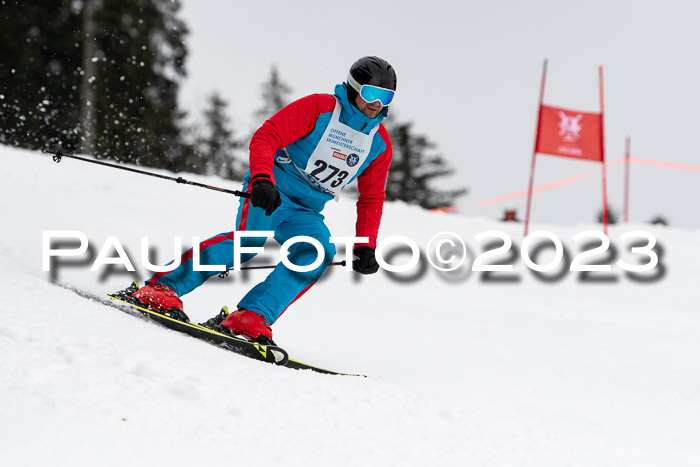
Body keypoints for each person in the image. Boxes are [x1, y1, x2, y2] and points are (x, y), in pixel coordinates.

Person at [127, 56, 397, 345]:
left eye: (386, 96)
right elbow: (267, 136)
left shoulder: (379, 143)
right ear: (354, 89)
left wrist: (366, 245)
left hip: (305, 210)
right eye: (371, 94)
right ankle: (161, 287)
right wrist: (262, 179)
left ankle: (252, 316)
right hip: (271, 191)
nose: (377, 103)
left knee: (317, 252)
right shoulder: (320, 108)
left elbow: (371, 198)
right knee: (250, 241)